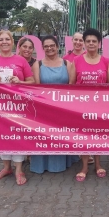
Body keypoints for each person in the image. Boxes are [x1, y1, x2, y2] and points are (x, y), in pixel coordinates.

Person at [0, 30, 35, 185]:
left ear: (12, 42)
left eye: (7, 39)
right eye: (1, 39)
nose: (4, 42)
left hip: (17, 105)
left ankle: (19, 169)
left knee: (17, 135)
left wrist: (20, 81)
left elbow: (32, 81)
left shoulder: (21, 60)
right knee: (1, 134)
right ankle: (6, 167)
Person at [30, 35, 80, 174]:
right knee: (45, 136)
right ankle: (42, 164)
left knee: (61, 136)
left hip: (62, 108)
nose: (49, 48)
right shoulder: (37, 64)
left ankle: (62, 162)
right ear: (43, 49)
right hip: (44, 109)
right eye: (46, 46)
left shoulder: (67, 64)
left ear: (57, 47)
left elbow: (71, 85)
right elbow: (36, 87)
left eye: (52, 45)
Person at [69, 28, 109, 181]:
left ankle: (99, 164)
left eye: (94, 41)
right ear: (84, 43)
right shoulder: (77, 61)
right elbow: (72, 84)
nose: (91, 43)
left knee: (98, 136)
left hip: (100, 107)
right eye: (88, 41)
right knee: (83, 137)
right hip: (81, 107)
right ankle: (85, 166)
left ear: (99, 44)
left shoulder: (106, 61)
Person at [63, 32, 94, 165]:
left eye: (81, 40)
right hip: (75, 97)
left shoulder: (90, 56)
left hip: (92, 99)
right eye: (76, 40)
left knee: (89, 127)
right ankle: (78, 151)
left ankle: (88, 152)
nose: (78, 42)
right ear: (72, 41)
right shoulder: (66, 58)